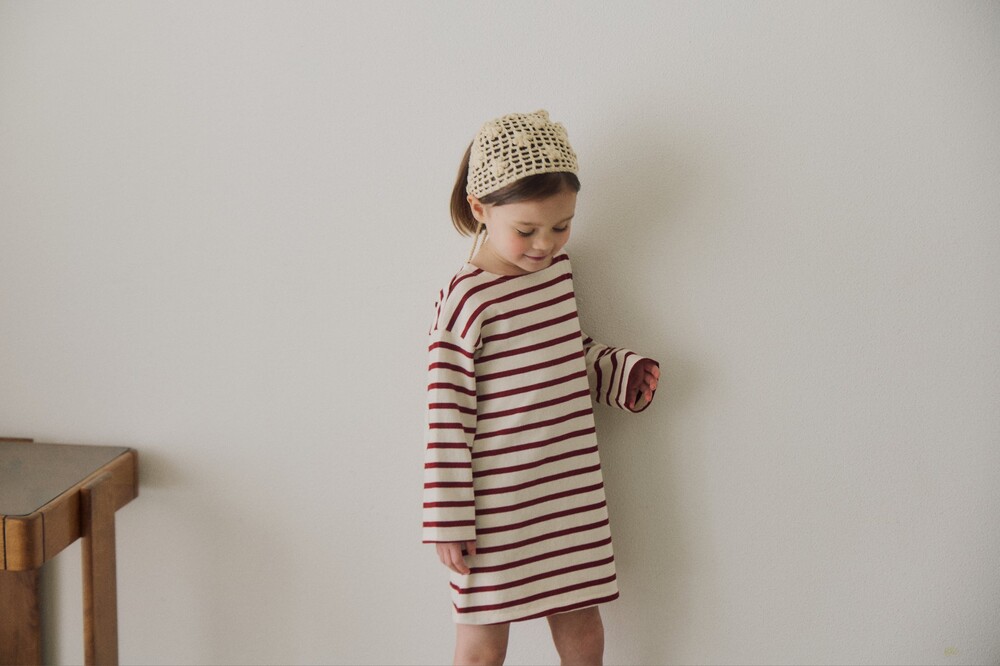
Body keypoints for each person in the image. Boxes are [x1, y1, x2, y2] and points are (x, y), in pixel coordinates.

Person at [422, 110, 661, 666]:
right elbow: (445, 415)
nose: (545, 245)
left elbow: (566, 353)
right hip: (494, 506)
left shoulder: (556, 276)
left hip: (568, 492)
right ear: (480, 209)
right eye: (527, 230)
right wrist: (448, 519)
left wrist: (618, 370)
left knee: (583, 628)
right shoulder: (466, 299)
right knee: (482, 647)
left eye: (562, 226)